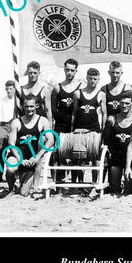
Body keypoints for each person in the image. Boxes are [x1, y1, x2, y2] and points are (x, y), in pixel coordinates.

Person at [4, 93, 54, 197]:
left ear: (37, 106)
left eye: (31, 106)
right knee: (10, 169)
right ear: (22, 106)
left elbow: (50, 140)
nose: (29, 109)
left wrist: (37, 156)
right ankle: (11, 188)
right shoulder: (16, 122)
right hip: (17, 155)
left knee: (24, 193)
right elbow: (11, 143)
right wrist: (20, 159)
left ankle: (22, 182)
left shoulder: (43, 121)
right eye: (26, 106)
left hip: (32, 159)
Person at [71, 68, 107, 184]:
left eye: (95, 79)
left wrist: (103, 131)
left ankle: (94, 183)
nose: (92, 81)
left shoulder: (101, 94)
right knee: (79, 158)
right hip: (79, 129)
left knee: (95, 158)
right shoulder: (78, 93)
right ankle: (80, 183)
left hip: (94, 130)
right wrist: (73, 129)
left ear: (98, 80)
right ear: (86, 78)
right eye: (90, 78)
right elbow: (74, 113)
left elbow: (104, 114)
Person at [102, 90, 132, 194]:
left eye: (127, 103)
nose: (124, 106)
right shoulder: (112, 119)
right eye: (122, 103)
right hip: (115, 160)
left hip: (131, 161)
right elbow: (106, 140)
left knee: (128, 191)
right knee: (114, 190)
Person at [50, 58, 81, 186]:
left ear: (76, 71)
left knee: (76, 155)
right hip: (60, 125)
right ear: (64, 69)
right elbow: (52, 108)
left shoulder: (81, 87)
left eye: (72, 70)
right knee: (57, 154)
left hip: (75, 125)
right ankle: (58, 183)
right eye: (67, 70)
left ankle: (75, 183)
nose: (69, 73)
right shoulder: (57, 88)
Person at [19, 61, 52, 127]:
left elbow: (48, 111)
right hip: (25, 124)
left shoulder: (45, 90)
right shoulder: (20, 89)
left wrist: (50, 129)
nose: (33, 75)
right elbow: (16, 110)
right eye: (30, 73)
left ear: (39, 73)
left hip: (39, 124)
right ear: (27, 73)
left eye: (35, 73)